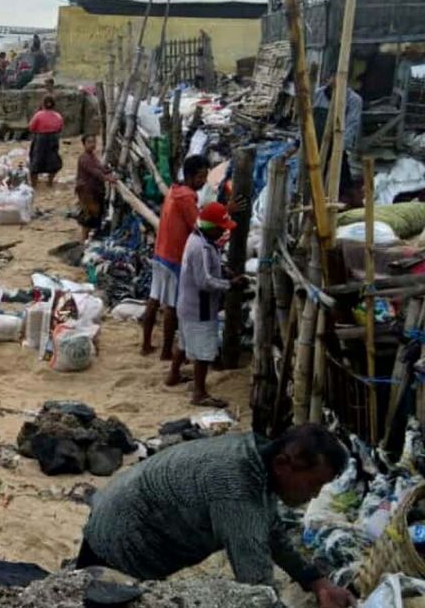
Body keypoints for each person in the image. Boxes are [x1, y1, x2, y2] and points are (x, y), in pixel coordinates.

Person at [76, 424, 355, 608]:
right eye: (314, 484)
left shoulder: (257, 459)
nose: (315, 495)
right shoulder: (237, 491)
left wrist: (317, 582)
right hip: (117, 544)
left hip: (122, 518)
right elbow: (257, 589)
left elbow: (272, 533)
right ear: (284, 464)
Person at [166, 202, 245, 406]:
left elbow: (207, 268)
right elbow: (205, 282)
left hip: (187, 303)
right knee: (203, 351)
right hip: (200, 306)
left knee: (184, 342)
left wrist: (222, 270)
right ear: (211, 227)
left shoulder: (200, 239)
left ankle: (173, 375)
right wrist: (230, 284)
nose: (222, 232)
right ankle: (199, 393)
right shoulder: (200, 247)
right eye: (220, 228)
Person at [140, 154, 207, 359]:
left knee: (154, 298)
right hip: (175, 257)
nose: (204, 181)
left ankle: (146, 345)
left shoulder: (173, 191)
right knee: (172, 305)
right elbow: (198, 227)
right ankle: (166, 351)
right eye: (201, 177)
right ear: (191, 176)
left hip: (161, 252)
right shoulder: (187, 197)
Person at [314, 77, 362, 205]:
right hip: (315, 145)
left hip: (336, 146)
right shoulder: (318, 94)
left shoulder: (353, 100)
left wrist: (338, 150)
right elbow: (307, 119)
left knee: (340, 181)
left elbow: (351, 126)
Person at [75, 134, 116, 242]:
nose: (92, 144)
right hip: (87, 192)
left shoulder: (92, 157)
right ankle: (83, 239)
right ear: (84, 144)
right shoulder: (84, 158)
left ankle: (87, 238)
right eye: (89, 142)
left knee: (95, 216)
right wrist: (107, 178)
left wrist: (109, 171)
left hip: (95, 190)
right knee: (88, 217)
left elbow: (100, 169)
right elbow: (95, 172)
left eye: (94, 142)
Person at [28, 96, 64, 188]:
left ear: (43, 104)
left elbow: (31, 127)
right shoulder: (58, 116)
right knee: (53, 161)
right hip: (53, 139)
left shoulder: (38, 115)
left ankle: (34, 184)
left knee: (36, 161)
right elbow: (60, 128)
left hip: (40, 139)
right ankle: (49, 182)